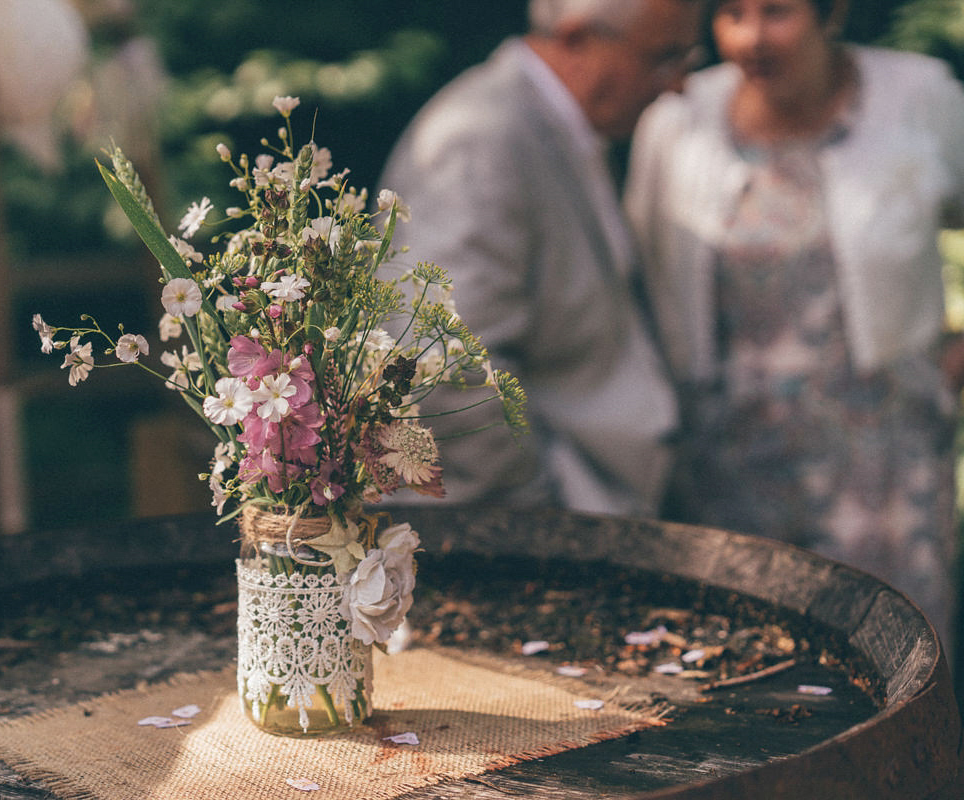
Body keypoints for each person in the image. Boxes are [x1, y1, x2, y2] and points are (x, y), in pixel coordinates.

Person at [624, 0, 964, 647]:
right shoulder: (677, 117)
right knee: (742, 669)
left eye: (776, 11)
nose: (751, 37)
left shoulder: (917, 96)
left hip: (883, 463)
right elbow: (639, 269)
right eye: (730, 13)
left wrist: (954, 358)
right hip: (725, 463)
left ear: (831, 13)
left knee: (895, 661)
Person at [378, 0, 704, 515]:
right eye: (665, 57)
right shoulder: (479, 139)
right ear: (576, 40)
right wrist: (543, 518)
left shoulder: (553, 125)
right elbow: (437, 368)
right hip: (534, 530)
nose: (679, 84)